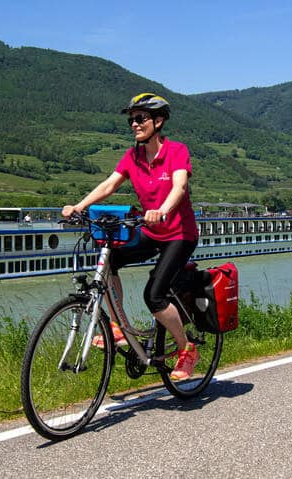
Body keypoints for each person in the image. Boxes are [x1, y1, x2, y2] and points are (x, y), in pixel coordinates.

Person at [62, 93, 201, 379]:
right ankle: (117, 327)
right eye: (132, 120)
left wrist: (162, 210)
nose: (134, 124)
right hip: (151, 231)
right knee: (110, 261)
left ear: (158, 121)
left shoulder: (176, 151)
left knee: (154, 296)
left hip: (179, 234)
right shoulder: (132, 156)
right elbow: (109, 185)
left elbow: (179, 187)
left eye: (140, 119)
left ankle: (187, 349)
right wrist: (79, 206)